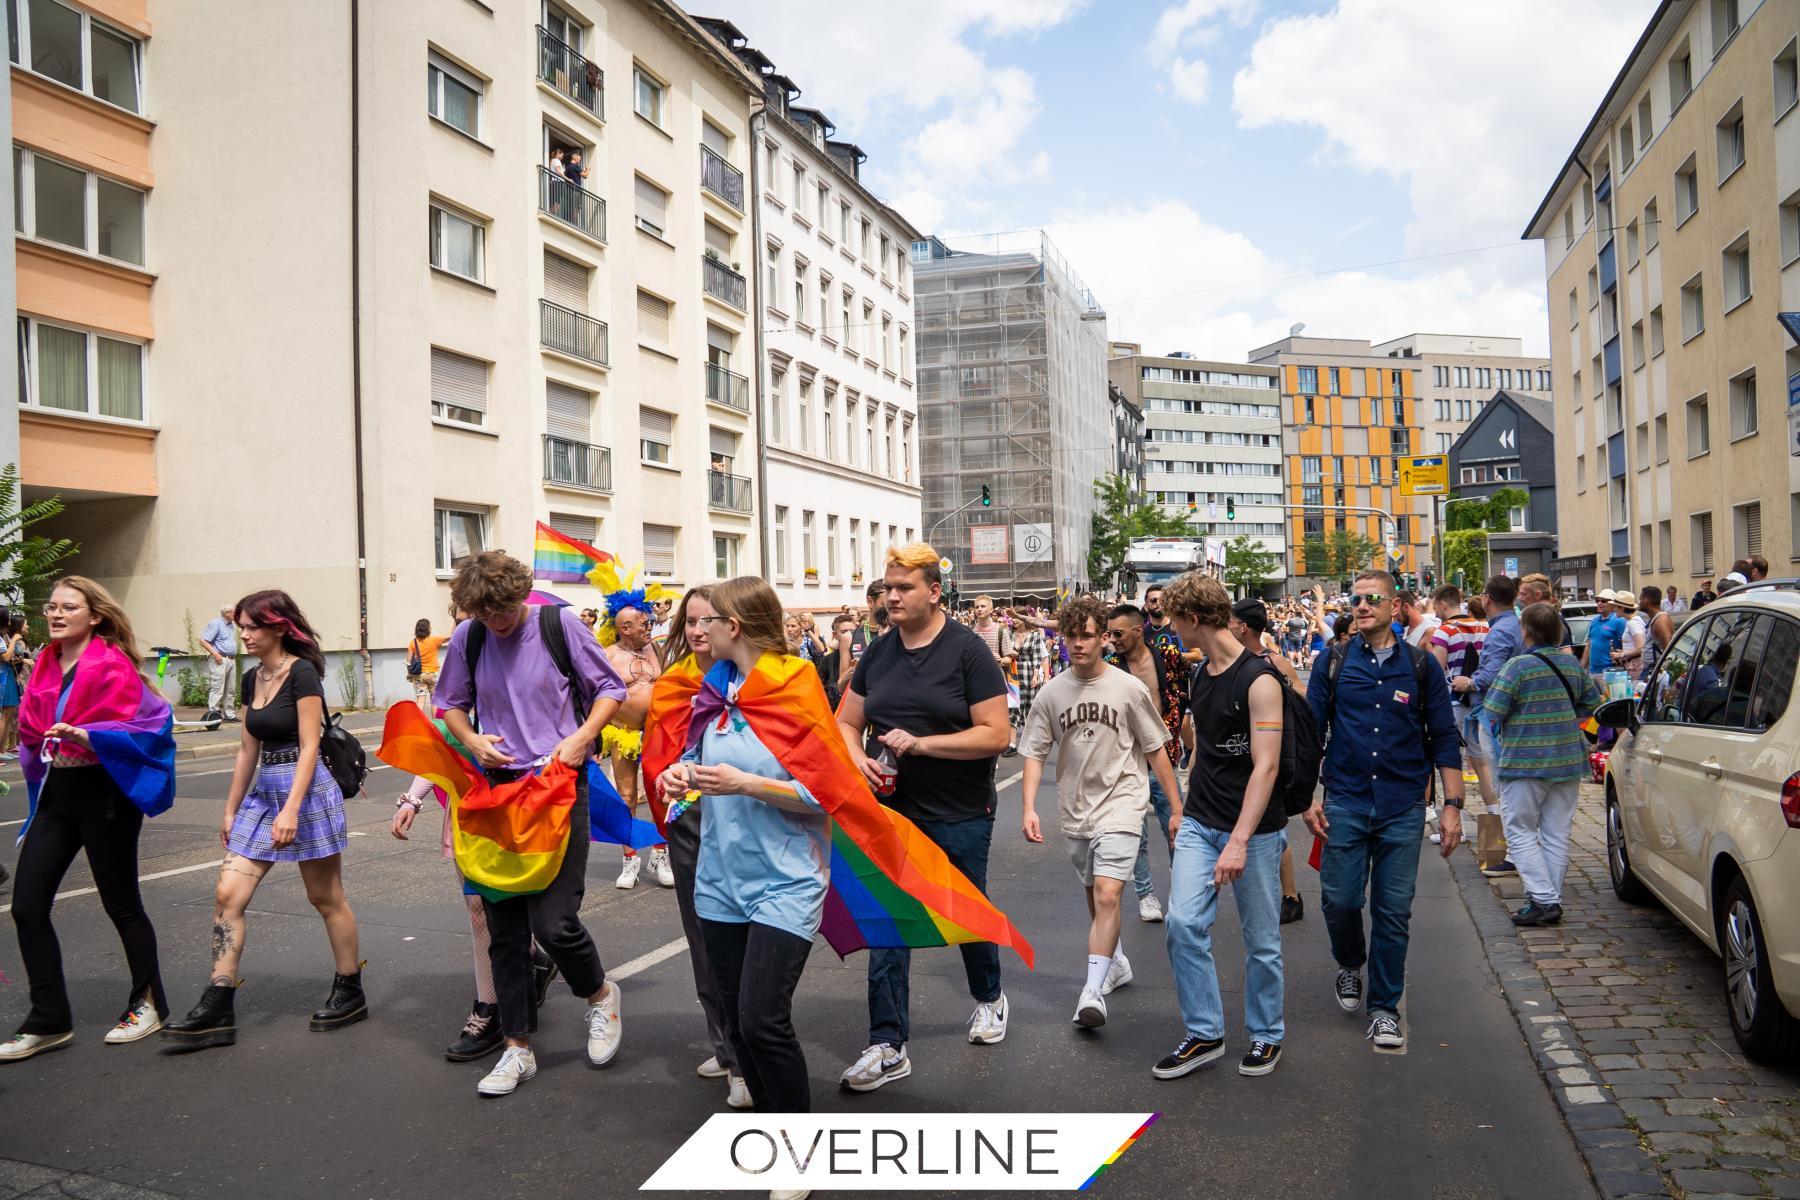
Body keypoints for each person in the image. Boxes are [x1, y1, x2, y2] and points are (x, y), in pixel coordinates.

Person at [428, 552, 629, 1097]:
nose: (497, 621)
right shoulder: (470, 637)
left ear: (522, 595)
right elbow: (448, 703)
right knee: (505, 929)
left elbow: (612, 689)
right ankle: (517, 1048)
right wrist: (470, 739)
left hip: (561, 786)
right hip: (499, 792)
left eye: (504, 610)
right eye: (485, 614)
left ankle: (600, 995)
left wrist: (582, 737)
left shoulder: (557, 624)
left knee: (555, 922)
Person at [652, 577, 831, 1120]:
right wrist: (678, 776)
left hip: (787, 881)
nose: (697, 628)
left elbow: (826, 795)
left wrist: (746, 784)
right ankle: (774, 1129)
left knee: (762, 1021)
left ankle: (798, 1145)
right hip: (720, 883)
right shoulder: (713, 692)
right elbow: (690, 756)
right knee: (734, 1025)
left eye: (709, 620)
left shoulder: (797, 685)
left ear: (735, 627)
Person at [834, 543, 1010, 1091]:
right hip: (891, 813)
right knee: (891, 923)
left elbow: (996, 735)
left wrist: (923, 746)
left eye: (903, 587)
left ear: (935, 592)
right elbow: (845, 721)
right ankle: (887, 1044)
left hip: (959, 811)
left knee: (964, 911)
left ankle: (989, 997)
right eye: (887, 588)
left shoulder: (967, 652)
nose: (891, 597)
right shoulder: (879, 652)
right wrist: (860, 760)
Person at [162, 591, 363, 1054]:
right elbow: (247, 748)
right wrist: (231, 809)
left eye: (252, 627)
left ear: (278, 627)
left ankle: (350, 989)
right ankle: (218, 1003)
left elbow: (311, 746)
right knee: (227, 893)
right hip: (262, 792)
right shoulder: (252, 677)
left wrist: (292, 808)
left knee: (325, 896)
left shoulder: (303, 673)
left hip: (305, 790)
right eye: (242, 627)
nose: (244, 635)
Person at [3, 577, 174, 1062]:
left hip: (105, 793)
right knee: (27, 906)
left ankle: (149, 1002)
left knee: (121, 905)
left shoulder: (112, 663)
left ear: (94, 615)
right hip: (57, 795)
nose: (55, 614)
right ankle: (49, 1019)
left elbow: (148, 724)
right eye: (51, 607)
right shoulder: (44, 664)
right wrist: (44, 736)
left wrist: (87, 735)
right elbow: (32, 726)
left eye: (68, 607)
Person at [1306, 569, 1464, 1053]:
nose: (1362, 605)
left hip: (1401, 805)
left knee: (1393, 911)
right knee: (1340, 899)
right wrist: (1307, 797)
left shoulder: (1420, 666)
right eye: (1356, 598)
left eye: (1373, 598)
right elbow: (1311, 735)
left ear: (1396, 608)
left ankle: (1384, 1009)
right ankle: (1350, 963)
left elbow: (1443, 738)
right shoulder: (1331, 662)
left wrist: (1454, 805)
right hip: (1346, 800)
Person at [1018, 597, 1180, 1030]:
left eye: (1087, 634)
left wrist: (1176, 808)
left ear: (1104, 637)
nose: (1078, 643)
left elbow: (1155, 749)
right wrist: (1030, 807)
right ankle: (1117, 961)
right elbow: (1034, 752)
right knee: (1095, 896)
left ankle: (1090, 992)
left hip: (1124, 802)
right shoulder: (1052, 693)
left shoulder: (1128, 688)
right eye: (1071, 635)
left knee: (1109, 894)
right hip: (1076, 810)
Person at [1154, 572, 1287, 1080]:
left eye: (1173, 619)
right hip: (1200, 821)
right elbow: (1204, 752)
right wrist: (1182, 806)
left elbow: (1267, 766)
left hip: (1252, 832)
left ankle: (1267, 1035)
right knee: (1182, 924)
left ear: (1192, 618)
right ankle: (1206, 1032)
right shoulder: (1200, 673)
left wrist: (1238, 841)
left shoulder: (1259, 678)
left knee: (1262, 940)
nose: (1170, 630)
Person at [644, 586, 750, 1109]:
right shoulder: (673, 683)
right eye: (689, 620)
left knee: (745, 942)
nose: (697, 630)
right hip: (691, 824)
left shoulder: (752, 680)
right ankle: (727, 1047)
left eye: (708, 619)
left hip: (747, 822)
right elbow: (657, 757)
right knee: (703, 939)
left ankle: (744, 1047)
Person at [1481, 603, 1602, 927]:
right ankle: (1549, 897)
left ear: (1526, 631)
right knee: (1556, 833)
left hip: (1524, 761)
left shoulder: (1517, 667)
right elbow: (1593, 704)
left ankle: (1544, 899)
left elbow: (1493, 710)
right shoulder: (1573, 665)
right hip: (1567, 761)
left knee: (1519, 831)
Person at [1228, 598, 1307, 925]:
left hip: (1268, 757)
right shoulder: (1230, 661)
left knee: (1274, 828)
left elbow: (1304, 701)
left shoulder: (1272, 661)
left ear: (1243, 626)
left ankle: (1290, 895)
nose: (1227, 627)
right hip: (1238, 758)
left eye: (1231, 622)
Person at [1107, 605, 1183, 924]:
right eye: (1109, 634)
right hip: (1129, 763)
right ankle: (1146, 894)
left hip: (1163, 757)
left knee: (1177, 828)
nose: (1112, 639)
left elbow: (1180, 694)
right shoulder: (1110, 666)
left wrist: (1176, 736)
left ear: (1138, 631)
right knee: (1135, 834)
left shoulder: (1167, 656)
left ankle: (1183, 891)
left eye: (1118, 633)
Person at [606, 604, 672, 890]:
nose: (649, 628)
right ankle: (630, 858)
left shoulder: (656, 651)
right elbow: (596, 693)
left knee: (663, 793)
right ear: (625, 628)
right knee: (626, 795)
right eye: (642, 624)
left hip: (657, 731)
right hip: (624, 732)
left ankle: (660, 854)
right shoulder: (607, 655)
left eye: (648, 623)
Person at [1581, 590, 1628, 690]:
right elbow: (1589, 645)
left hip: (1610, 672)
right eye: (1597, 600)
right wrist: (1581, 668)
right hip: (1592, 672)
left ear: (1612, 605)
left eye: (1603, 601)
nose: (1599, 603)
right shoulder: (1594, 621)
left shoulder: (1619, 621)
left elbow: (1625, 645)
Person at [200, 605, 239, 723]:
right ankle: (214, 714)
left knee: (230, 689)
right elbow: (204, 640)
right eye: (234, 612)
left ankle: (229, 714)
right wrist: (215, 654)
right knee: (217, 687)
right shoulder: (216, 623)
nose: (236, 614)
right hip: (220, 659)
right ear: (226, 613)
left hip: (231, 659)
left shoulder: (231, 625)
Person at [406, 618, 451, 713]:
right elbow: (450, 637)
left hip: (419, 675)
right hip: (433, 674)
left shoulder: (413, 642)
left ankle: (418, 724)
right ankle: (435, 724)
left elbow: (408, 661)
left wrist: (410, 673)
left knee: (420, 701)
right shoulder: (434, 640)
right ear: (428, 629)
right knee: (434, 701)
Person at [0, 612, 29, 756]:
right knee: (6, 716)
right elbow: (7, 658)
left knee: (9, 714)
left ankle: (3, 750)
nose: (10, 621)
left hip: (8, 677)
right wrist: (14, 641)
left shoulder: (4, 637)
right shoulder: (7, 639)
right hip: (4, 678)